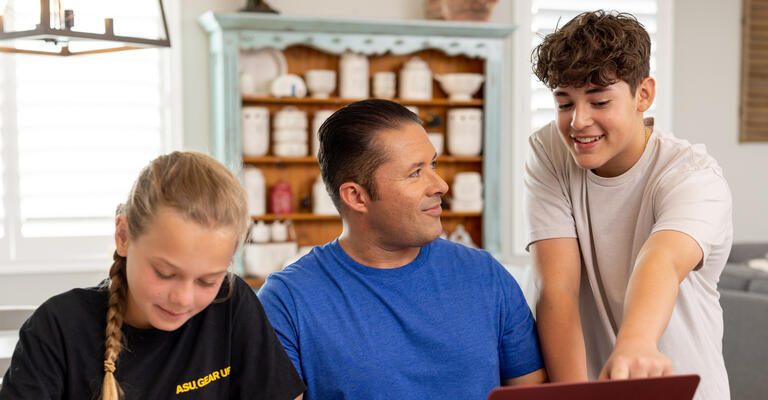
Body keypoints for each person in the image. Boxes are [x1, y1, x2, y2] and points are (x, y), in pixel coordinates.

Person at [257, 99, 546, 399]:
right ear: (356, 196)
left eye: (432, 164)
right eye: (415, 173)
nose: (441, 185)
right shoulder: (287, 301)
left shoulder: (487, 276)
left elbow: (533, 394)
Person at [526, 10, 732, 399]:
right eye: (564, 103)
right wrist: (575, 395)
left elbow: (662, 261)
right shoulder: (549, 150)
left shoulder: (693, 175)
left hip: (685, 387)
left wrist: (635, 343)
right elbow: (557, 288)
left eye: (599, 101)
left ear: (644, 95)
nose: (578, 122)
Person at [0, 152, 305, 399]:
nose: (183, 298)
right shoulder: (57, 329)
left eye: (207, 281)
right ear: (123, 236)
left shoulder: (230, 303)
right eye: (165, 273)